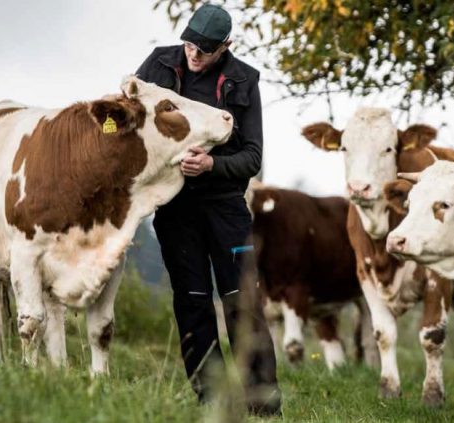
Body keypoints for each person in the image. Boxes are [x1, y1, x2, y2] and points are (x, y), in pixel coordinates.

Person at [134, 4, 280, 416]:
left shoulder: (244, 80)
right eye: (191, 43)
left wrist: (213, 164)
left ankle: (262, 405)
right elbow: (128, 118)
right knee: (192, 301)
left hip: (226, 208)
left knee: (241, 301)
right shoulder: (158, 64)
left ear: (226, 47)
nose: (194, 54)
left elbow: (252, 157)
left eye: (206, 49)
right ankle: (212, 400)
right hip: (175, 207)